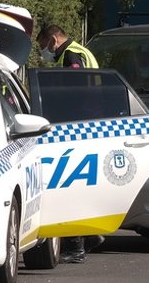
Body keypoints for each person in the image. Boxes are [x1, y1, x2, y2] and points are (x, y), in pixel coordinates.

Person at [35, 24, 101, 263]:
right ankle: (91, 237)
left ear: (54, 40)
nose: (44, 52)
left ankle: (76, 248)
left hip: (76, 127)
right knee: (80, 185)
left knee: (69, 186)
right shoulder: (78, 51)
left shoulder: (71, 56)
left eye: (44, 46)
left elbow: (75, 91)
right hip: (88, 123)